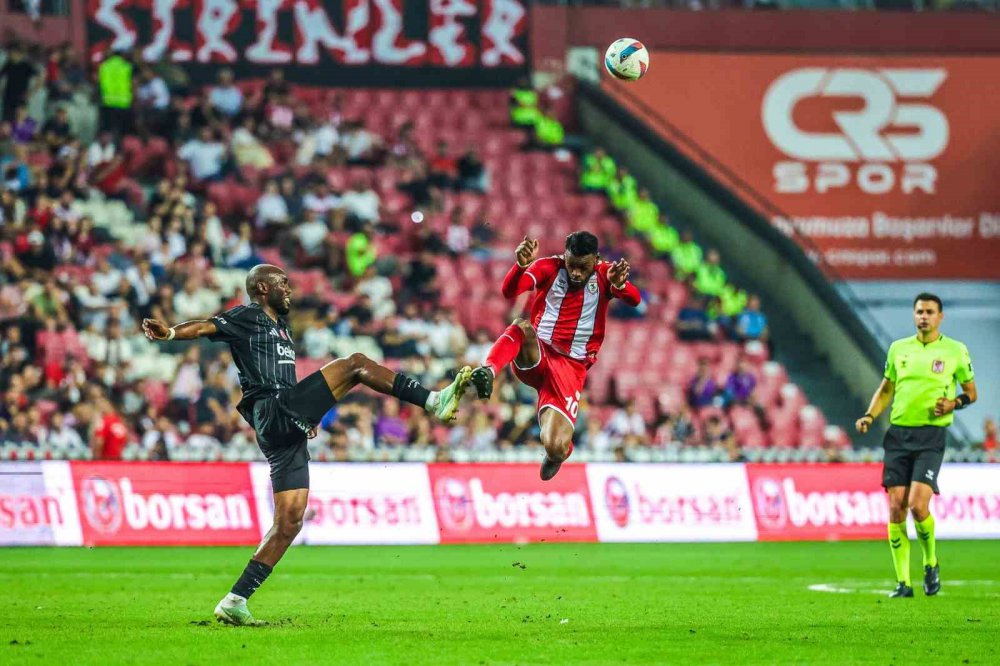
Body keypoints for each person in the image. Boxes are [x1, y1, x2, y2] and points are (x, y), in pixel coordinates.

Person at [142, 264, 471, 625]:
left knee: (290, 521)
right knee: (356, 364)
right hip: (272, 410)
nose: (289, 288)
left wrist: (306, 414)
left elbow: (285, 378)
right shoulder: (247, 315)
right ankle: (433, 401)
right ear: (262, 288)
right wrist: (171, 333)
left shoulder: (283, 329)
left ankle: (235, 599)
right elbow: (207, 326)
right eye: (282, 283)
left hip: (287, 423)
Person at [467, 232, 640, 480]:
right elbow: (510, 291)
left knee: (555, 446)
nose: (577, 273)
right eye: (572, 265)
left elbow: (635, 300)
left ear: (596, 259)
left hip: (571, 368)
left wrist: (621, 286)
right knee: (522, 327)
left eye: (584, 267)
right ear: (565, 256)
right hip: (538, 352)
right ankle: (488, 370)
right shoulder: (549, 267)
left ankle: (558, 453)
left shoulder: (605, 274)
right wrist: (521, 266)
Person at [855, 293, 977, 599]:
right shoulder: (899, 349)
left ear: (940, 316)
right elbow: (886, 388)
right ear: (914, 315)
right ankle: (903, 583)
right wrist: (870, 415)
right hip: (898, 436)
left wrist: (954, 403)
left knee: (918, 505)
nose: (924, 316)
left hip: (931, 437)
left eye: (930, 312)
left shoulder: (955, 351)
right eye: (919, 311)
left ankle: (930, 561)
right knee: (896, 508)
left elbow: (972, 392)